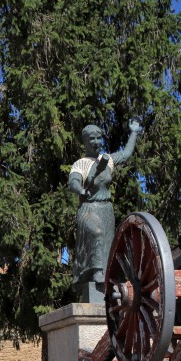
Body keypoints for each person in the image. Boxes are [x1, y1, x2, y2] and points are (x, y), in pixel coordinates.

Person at [68, 120, 140, 292]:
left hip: (106, 209)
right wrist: (81, 191)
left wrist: (134, 132)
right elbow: (73, 183)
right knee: (96, 233)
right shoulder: (80, 164)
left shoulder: (107, 160)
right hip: (89, 208)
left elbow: (127, 153)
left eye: (99, 138)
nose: (96, 142)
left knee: (109, 244)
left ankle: (107, 276)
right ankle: (97, 272)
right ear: (85, 142)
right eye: (92, 139)